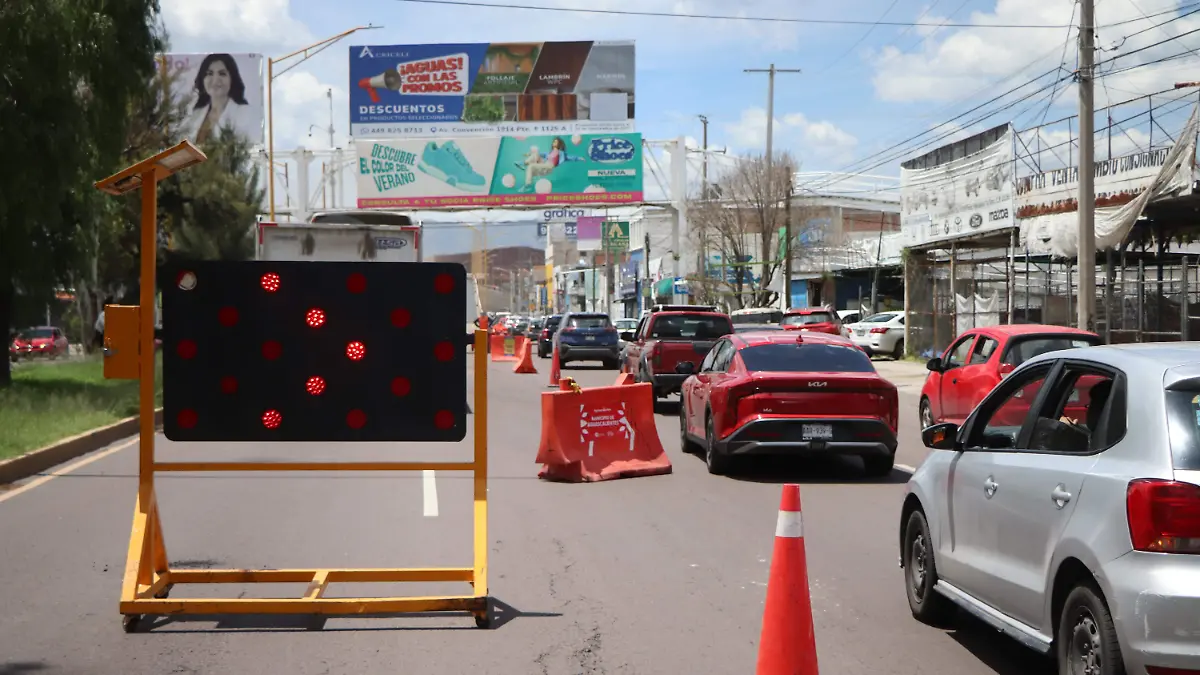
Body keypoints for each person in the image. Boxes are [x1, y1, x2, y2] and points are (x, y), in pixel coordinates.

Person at [180, 54, 253, 145]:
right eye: (209, 74)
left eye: (222, 74)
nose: (215, 80)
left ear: (232, 78)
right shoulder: (195, 114)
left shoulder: (245, 112)